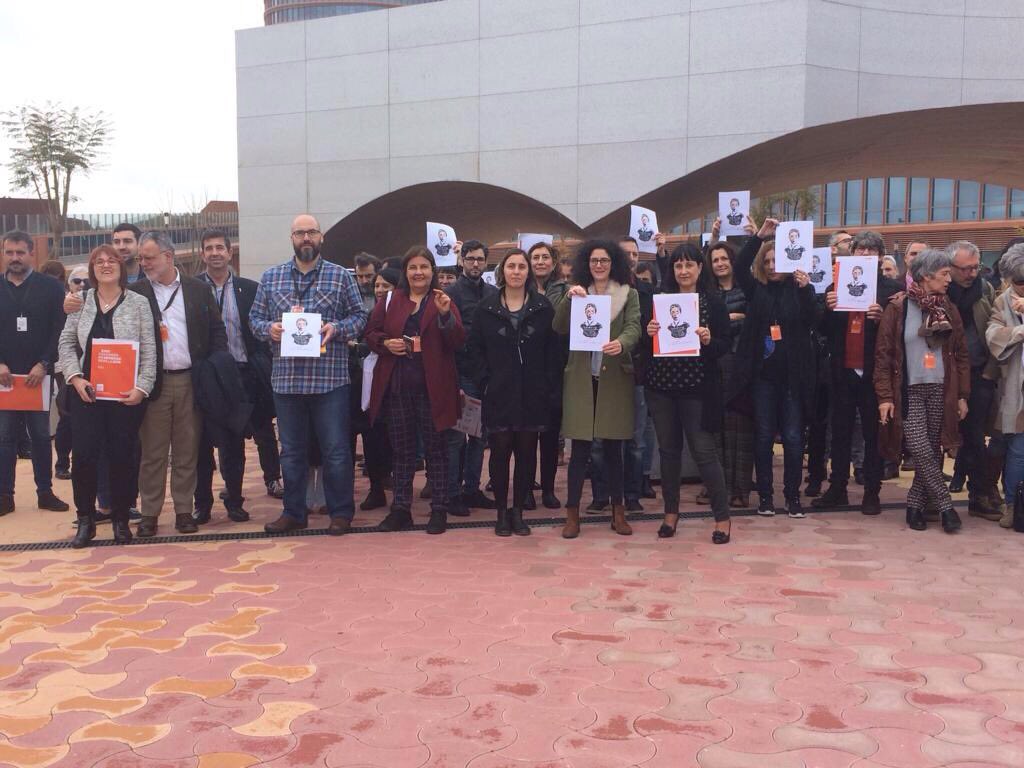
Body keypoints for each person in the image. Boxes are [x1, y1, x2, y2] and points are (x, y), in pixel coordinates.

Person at [249, 215, 368, 535]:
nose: (306, 238)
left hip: (329, 380)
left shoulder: (341, 277)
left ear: (321, 237)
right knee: (291, 452)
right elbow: (255, 321)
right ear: (291, 238)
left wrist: (338, 328)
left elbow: (359, 317)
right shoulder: (271, 277)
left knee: (336, 450)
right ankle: (294, 512)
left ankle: (341, 512)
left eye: (311, 232)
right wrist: (269, 329)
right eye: (300, 233)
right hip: (287, 382)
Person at [57, 245, 156, 547]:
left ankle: (121, 520)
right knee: (84, 458)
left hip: (124, 396)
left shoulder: (138, 302)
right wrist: (74, 378)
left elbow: (151, 350)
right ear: (91, 269)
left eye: (111, 260)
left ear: (121, 266)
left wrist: (142, 388)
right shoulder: (80, 302)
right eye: (98, 262)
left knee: (123, 458)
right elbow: (65, 343)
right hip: (87, 394)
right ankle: (86, 520)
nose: (105, 265)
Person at [130, 231, 227, 537]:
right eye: (141, 258)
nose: (143, 263)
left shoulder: (197, 290)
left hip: (190, 380)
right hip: (153, 384)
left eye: (149, 257)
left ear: (168, 257)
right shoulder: (135, 292)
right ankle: (150, 513)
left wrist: (213, 368)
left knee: (187, 450)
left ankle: (184, 511)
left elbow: (216, 330)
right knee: (154, 452)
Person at [364, 246, 464, 534]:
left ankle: (439, 509)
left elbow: (457, 340)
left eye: (424, 267)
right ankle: (401, 509)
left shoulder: (443, 299)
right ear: (405, 272)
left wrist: (446, 316)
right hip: (398, 387)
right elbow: (371, 334)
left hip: (434, 388)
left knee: (437, 450)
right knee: (403, 450)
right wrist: (386, 344)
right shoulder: (390, 300)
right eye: (412, 267)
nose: (418, 272)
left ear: (432, 271)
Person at [728, 219, 819, 518]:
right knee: (764, 436)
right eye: (766, 261)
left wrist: (807, 290)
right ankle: (765, 497)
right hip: (762, 378)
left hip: (793, 379)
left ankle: (792, 497)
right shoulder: (756, 291)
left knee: (793, 438)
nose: (770, 265)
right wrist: (758, 237)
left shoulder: (801, 290)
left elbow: (814, 319)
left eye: (776, 258)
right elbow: (739, 267)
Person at [643, 243, 732, 543]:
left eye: (689, 265)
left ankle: (722, 517)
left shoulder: (712, 302)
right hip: (661, 388)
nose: (683, 271)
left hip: (697, 389)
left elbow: (724, 346)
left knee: (704, 452)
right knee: (668, 453)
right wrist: (650, 333)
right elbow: (645, 348)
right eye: (678, 266)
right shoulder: (659, 301)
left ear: (699, 268)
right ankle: (670, 513)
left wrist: (708, 339)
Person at [875, 248, 969, 534]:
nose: (948, 279)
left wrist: (962, 395)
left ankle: (914, 506)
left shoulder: (949, 309)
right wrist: (885, 397)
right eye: (943, 274)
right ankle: (946, 507)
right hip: (909, 390)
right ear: (926, 277)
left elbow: (961, 355)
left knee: (932, 447)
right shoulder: (898, 307)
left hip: (942, 388)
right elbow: (883, 356)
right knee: (920, 448)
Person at [194, 228, 282, 525]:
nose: (215, 253)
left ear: (230, 253)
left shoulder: (250, 288)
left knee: (240, 440)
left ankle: (235, 499)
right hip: (207, 377)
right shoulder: (191, 289)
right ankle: (202, 503)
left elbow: (261, 326)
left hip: (244, 374)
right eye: (209, 248)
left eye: (220, 247)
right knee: (203, 442)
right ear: (202, 253)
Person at [554, 240, 640, 538]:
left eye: (604, 260)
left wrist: (623, 343)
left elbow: (634, 327)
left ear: (613, 262)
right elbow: (559, 326)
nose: (599, 265)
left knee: (614, 449)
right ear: (586, 264)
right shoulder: (578, 294)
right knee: (579, 449)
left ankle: (618, 511)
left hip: (614, 378)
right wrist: (568, 299)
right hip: (582, 378)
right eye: (594, 261)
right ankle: (573, 513)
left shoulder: (629, 294)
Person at [467, 249, 558, 536]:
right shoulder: (486, 308)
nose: (517, 271)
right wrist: (485, 381)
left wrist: (546, 385)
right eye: (511, 266)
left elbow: (553, 352)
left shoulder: (543, 308)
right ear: (502, 271)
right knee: (499, 453)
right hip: (499, 392)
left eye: (522, 266)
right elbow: (475, 349)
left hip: (532, 392)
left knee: (527, 453)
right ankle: (501, 512)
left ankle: (518, 511)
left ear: (528, 272)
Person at [813, 231, 900, 516]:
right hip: (842, 369)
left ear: (880, 256)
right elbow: (822, 330)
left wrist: (882, 316)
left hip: (875, 372)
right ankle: (837, 487)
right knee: (839, 431)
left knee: (873, 433)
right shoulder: (836, 285)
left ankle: (871, 491)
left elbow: (898, 332)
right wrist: (827, 309)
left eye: (871, 251)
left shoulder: (891, 289)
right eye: (859, 250)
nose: (864, 254)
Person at [0, 230, 70, 517]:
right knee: (4, 438)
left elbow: (60, 330)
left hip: (38, 376)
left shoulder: (51, 288)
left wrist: (45, 364)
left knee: (41, 435)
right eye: (9, 252)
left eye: (20, 252)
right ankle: (4, 495)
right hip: (5, 378)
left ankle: (45, 492)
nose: (14, 258)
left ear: (32, 254)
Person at [945, 240, 1001, 521]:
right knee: (939, 434)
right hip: (944, 374)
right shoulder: (940, 291)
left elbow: (994, 328)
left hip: (979, 373)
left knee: (976, 435)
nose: (971, 274)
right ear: (950, 267)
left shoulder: (986, 290)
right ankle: (932, 496)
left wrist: (991, 371)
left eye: (975, 268)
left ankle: (979, 493)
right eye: (965, 269)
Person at [444, 240, 497, 514]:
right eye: (470, 258)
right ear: (462, 260)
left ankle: (471, 489)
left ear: (485, 262)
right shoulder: (450, 292)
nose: (475, 263)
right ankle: (452, 493)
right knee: (457, 437)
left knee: (480, 435)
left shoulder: (492, 292)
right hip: (461, 372)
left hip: (486, 374)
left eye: (479, 259)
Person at [709, 240, 754, 508]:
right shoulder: (708, 293)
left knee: (742, 428)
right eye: (715, 260)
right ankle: (718, 487)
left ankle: (741, 489)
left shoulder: (746, 290)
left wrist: (739, 321)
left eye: (724, 258)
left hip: (741, 363)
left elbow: (757, 319)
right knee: (717, 428)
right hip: (716, 362)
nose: (720, 264)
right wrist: (730, 320)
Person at [985, 243, 1024, 528]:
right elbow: (994, 337)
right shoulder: (1002, 302)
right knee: (1018, 450)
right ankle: (1013, 506)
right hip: (1015, 389)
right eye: (1020, 282)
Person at [529, 241, 568, 509]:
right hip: (528, 370)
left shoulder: (567, 291)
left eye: (545, 257)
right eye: (536, 257)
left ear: (553, 263)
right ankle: (527, 487)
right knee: (528, 436)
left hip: (557, 368)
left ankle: (549, 489)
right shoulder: (519, 289)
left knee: (551, 435)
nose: (540, 261)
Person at [54, 265, 91, 481]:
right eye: (77, 281)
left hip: (91, 369)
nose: (82, 284)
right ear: (69, 284)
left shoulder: (91, 302)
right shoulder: (64, 304)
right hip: (65, 369)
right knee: (66, 417)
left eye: (86, 280)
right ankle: (61, 463)